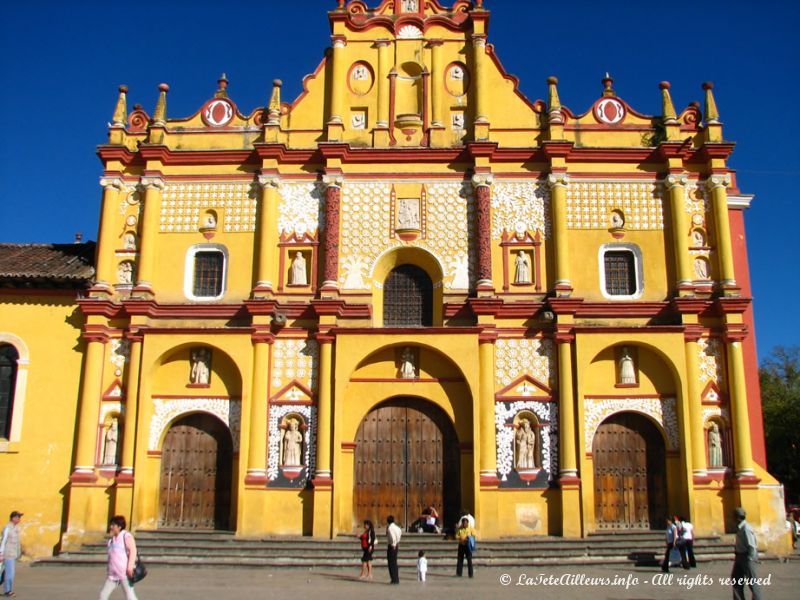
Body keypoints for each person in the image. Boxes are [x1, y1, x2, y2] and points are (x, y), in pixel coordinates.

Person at [99, 515, 138, 600]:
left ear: (119, 527)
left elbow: (133, 551)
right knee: (103, 595)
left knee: (130, 596)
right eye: (111, 525)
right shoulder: (111, 540)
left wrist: (130, 567)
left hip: (125, 574)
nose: (111, 527)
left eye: (113, 525)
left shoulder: (126, 537)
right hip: (113, 575)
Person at [731, 507, 761, 600]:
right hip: (739, 555)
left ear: (737, 517)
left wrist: (750, 559)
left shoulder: (746, 528)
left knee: (752, 581)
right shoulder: (740, 527)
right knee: (736, 579)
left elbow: (751, 545)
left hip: (746, 556)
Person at [0, 511, 23, 597]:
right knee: (10, 573)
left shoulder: (15, 528)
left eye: (19, 517)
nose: (19, 519)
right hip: (7, 553)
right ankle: (8, 591)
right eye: (18, 517)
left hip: (13, 554)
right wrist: (1, 553)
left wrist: (18, 553)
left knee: (4, 573)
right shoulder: (7, 528)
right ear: (13, 518)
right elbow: (3, 541)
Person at [386, 515, 402, 584]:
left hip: (392, 546)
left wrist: (393, 544)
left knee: (391, 563)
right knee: (394, 563)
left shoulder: (390, 528)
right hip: (396, 545)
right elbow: (400, 533)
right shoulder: (397, 528)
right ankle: (396, 578)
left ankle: (394, 579)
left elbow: (392, 537)